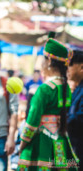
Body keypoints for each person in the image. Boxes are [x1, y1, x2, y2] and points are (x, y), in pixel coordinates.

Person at [18, 38, 79, 170]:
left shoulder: (44, 89)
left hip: (40, 144)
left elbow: (32, 121)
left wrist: (22, 144)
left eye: (42, 60)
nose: (40, 65)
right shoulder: (66, 88)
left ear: (49, 61)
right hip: (61, 142)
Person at [67, 50, 83, 170]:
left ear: (81, 67)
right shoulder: (77, 89)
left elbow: (79, 118)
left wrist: (61, 120)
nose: (68, 69)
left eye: (70, 65)